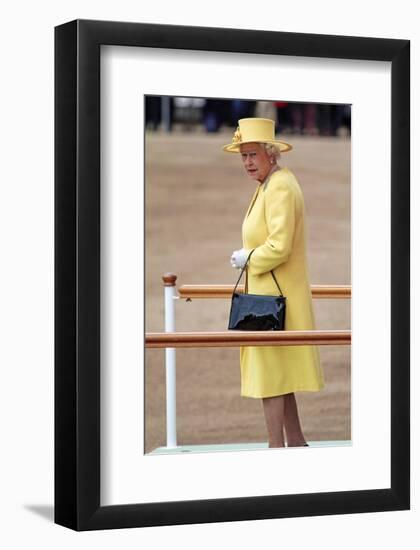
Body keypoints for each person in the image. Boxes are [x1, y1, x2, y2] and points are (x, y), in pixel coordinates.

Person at [223, 118, 324, 448]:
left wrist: (247, 257)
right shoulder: (269, 184)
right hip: (268, 299)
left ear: (270, 153)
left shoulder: (279, 186)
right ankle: (294, 442)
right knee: (279, 377)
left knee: (270, 379)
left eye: (253, 155)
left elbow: (280, 245)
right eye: (243, 157)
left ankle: (275, 449)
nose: (248, 163)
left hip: (273, 302)